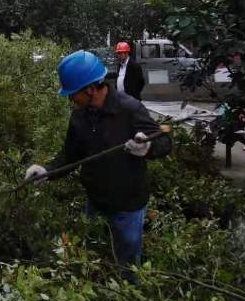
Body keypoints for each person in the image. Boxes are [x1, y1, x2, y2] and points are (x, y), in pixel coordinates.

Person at [24, 50, 170, 279]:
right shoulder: (79, 117)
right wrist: (47, 171)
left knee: (128, 265)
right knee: (93, 260)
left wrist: (148, 147)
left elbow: (164, 142)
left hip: (128, 205)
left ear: (90, 89)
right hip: (95, 202)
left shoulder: (129, 109)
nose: (71, 99)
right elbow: (70, 156)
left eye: (73, 94)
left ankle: (129, 293)